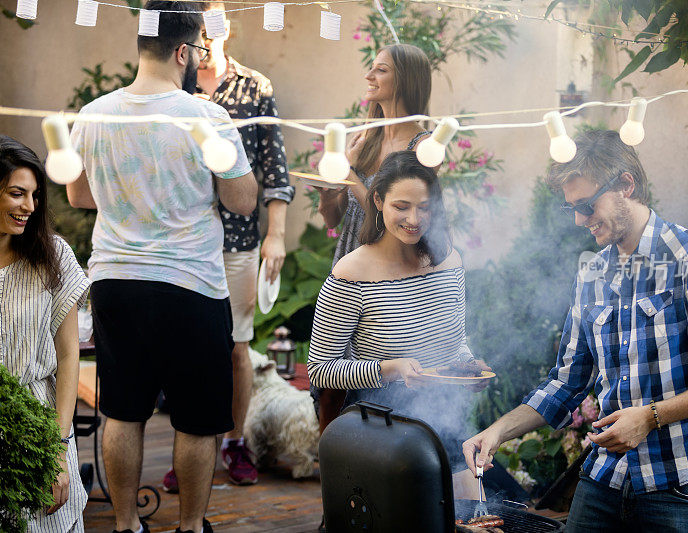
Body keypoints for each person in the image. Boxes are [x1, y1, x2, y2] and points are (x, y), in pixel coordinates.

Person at [462, 130, 688, 532]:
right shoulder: (591, 272)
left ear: (626, 184)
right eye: (572, 208)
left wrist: (651, 418)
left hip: (681, 487)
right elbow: (567, 383)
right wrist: (497, 431)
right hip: (604, 479)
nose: (579, 220)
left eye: (587, 205)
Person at [66, 2, 257, 532]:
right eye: (197, 49)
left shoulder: (95, 112)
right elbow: (242, 200)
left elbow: (80, 195)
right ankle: (191, 527)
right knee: (196, 421)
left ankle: (126, 526)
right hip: (189, 283)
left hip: (115, 282)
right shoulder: (206, 116)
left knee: (122, 411)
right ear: (182, 51)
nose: (198, 58)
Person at [160, 0, 295, 492]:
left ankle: (234, 442)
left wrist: (276, 234)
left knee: (237, 346)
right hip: (184, 237)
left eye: (215, 21)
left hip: (238, 237)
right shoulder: (174, 81)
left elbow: (274, 166)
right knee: (187, 346)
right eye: (200, 23)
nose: (208, 32)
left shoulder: (255, 86)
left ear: (226, 27)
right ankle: (191, 445)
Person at [308, 150, 482, 468]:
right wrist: (391, 369)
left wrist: (469, 366)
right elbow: (321, 370)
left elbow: (456, 344)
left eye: (424, 208)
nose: (414, 220)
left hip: (446, 418)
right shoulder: (351, 273)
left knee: (468, 515)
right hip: (383, 428)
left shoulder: (450, 261)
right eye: (401, 206)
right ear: (378, 201)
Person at [313, 43, 433, 432]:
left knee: (375, 377)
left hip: (388, 275)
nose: (369, 76)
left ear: (405, 79)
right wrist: (331, 194)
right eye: (372, 68)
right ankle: (333, 462)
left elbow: (397, 221)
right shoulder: (364, 138)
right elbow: (335, 219)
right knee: (330, 380)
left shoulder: (424, 148)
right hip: (348, 261)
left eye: (380, 70)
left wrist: (348, 175)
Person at [0, 136, 90, 532]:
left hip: (40, 429)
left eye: (34, 196)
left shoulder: (53, 256)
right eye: (17, 194)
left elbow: (70, 356)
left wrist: (56, 449)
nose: (29, 208)